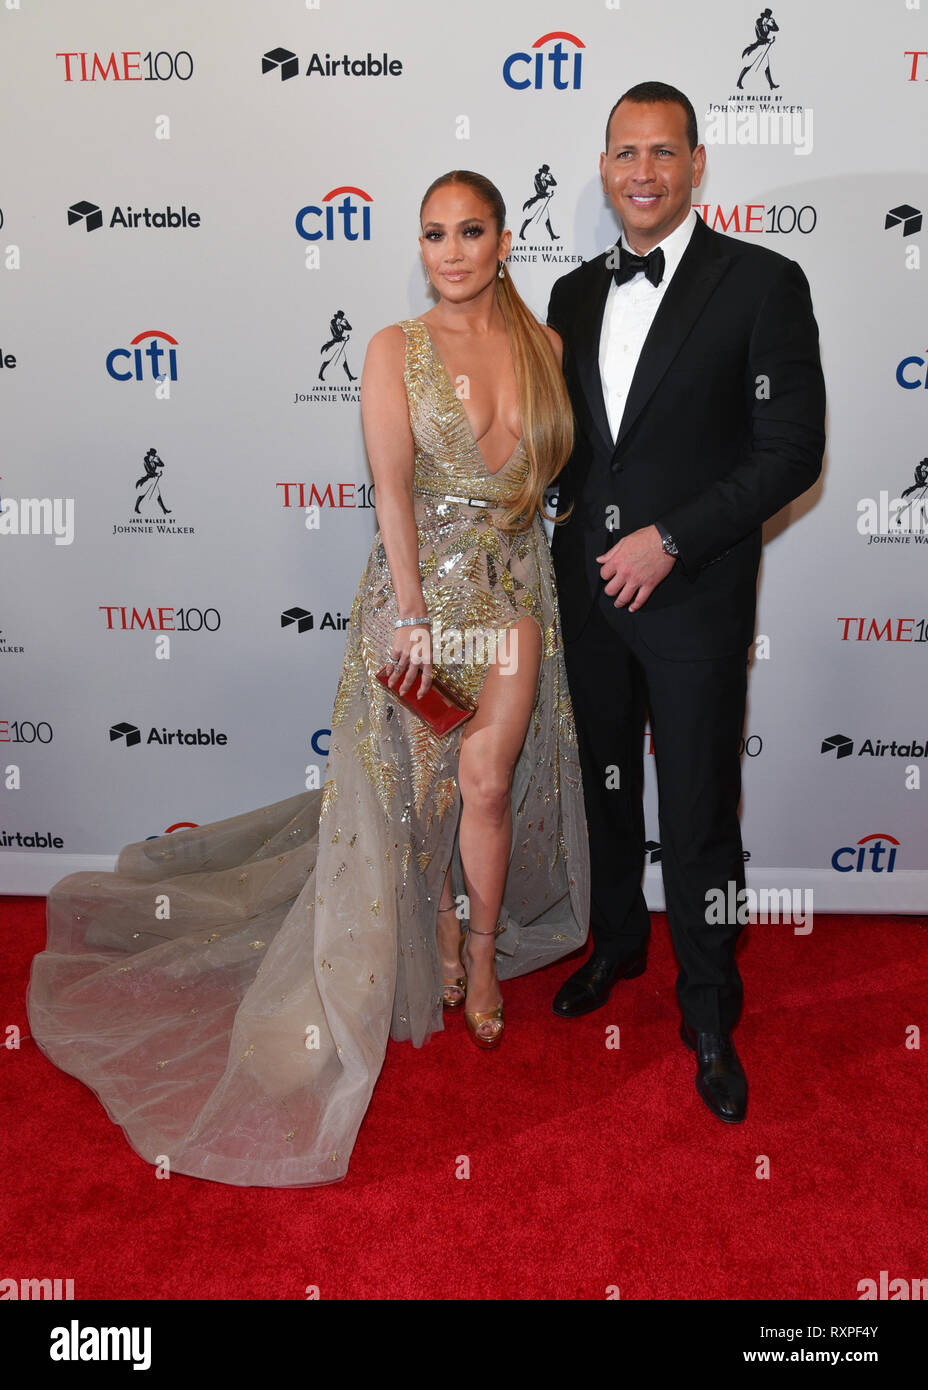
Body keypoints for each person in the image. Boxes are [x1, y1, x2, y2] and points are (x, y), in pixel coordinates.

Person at [25, 170, 590, 1188]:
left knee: (491, 781)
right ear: (420, 247)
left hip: (513, 603)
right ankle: (431, 935)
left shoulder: (546, 349)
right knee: (420, 796)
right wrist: (411, 618)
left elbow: (544, 492)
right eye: (433, 234)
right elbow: (388, 490)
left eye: (469, 231)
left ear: (504, 240)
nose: (451, 250)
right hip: (417, 613)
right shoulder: (394, 350)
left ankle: (483, 949)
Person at [546, 82, 825, 1123]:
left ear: (697, 164)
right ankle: (615, 945)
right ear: (605, 165)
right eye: (624, 153)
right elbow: (566, 447)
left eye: (663, 152)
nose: (643, 172)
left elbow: (789, 452)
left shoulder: (761, 283)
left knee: (702, 814)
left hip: (694, 596)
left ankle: (709, 1003)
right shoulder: (572, 294)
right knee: (606, 786)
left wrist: (669, 540)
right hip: (589, 597)